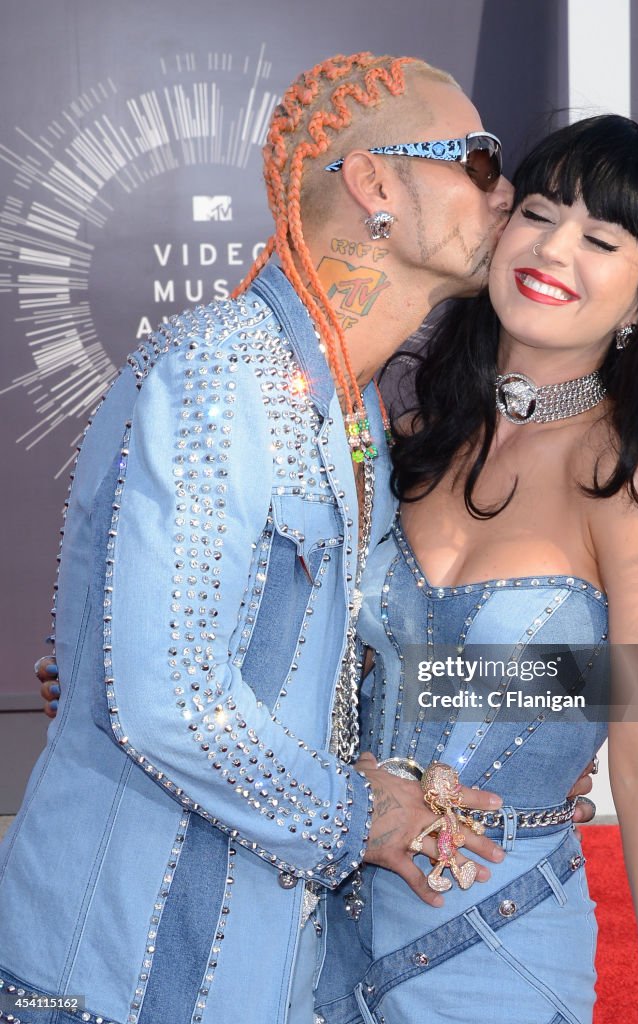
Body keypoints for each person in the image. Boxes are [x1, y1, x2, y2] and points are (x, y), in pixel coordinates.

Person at [2, 53, 598, 1024]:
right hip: (116, 971)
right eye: (479, 162)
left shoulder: (351, 404)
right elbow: (169, 703)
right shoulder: (216, 372)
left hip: (261, 965)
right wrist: (369, 812)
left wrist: (538, 743)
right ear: (374, 185)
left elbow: (342, 652)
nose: (508, 194)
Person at [313, 115, 638, 1024]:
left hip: (494, 936)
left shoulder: (633, 487)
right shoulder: (404, 442)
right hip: (320, 915)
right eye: (537, 212)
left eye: (600, 238)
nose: (554, 247)